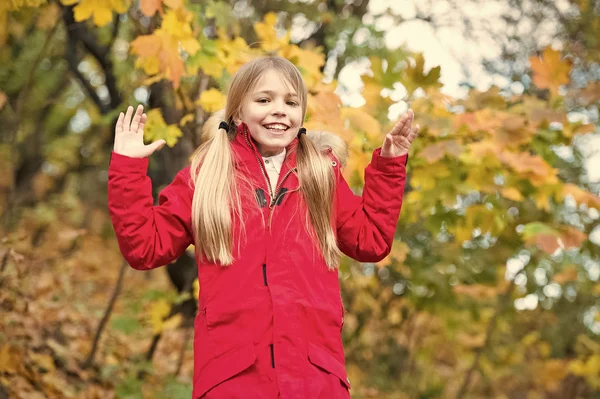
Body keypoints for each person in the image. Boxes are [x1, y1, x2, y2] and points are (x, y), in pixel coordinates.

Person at [108, 56, 419, 399]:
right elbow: (144, 247)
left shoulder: (321, 175)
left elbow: (371, 240)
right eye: (264, 100)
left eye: (290, 102)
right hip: (232, 376)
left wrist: (390, 167)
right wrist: (128, 167)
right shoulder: (207, 176)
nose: (279, 110)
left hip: (316, 377)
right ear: (239, 110)